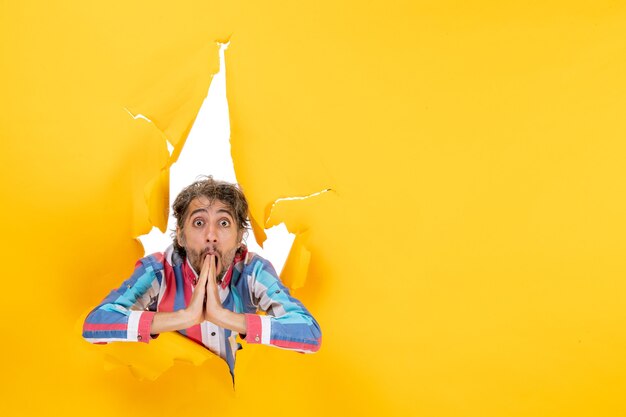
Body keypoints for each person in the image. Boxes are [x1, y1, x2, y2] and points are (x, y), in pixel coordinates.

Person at [83, 177, 321, 376]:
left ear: (240, 237)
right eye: (199, 222)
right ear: (180, 235)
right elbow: (95, 325)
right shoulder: (157, 271)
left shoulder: (253, 272)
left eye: (224, 223)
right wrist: (185, 317)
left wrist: (224, 317)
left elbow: (309, 334)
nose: (211, 235)